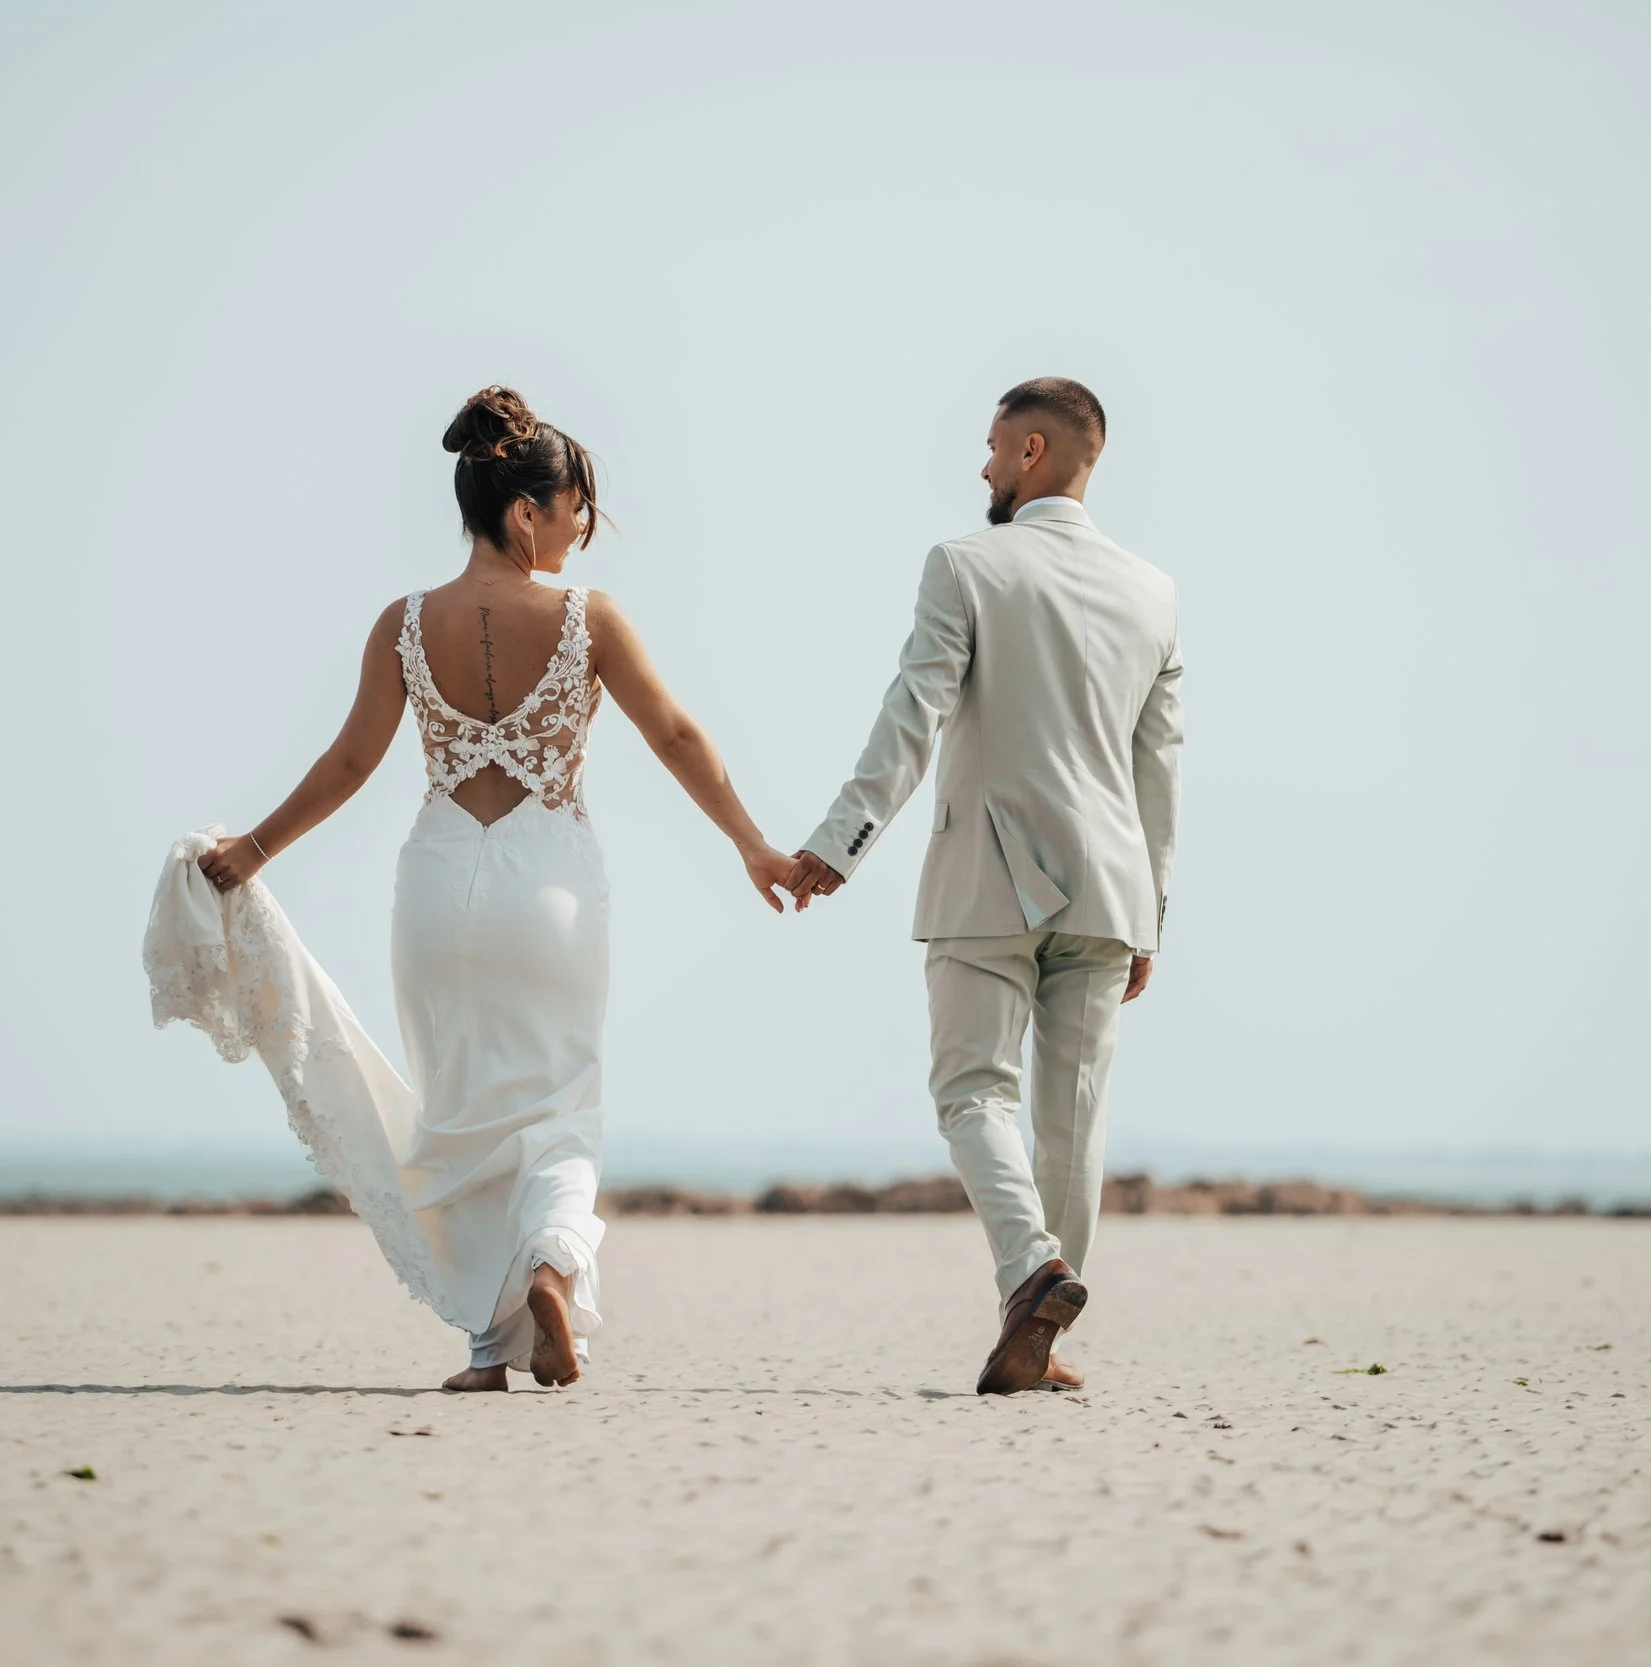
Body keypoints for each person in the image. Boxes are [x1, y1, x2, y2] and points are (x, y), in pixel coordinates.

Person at [161, 386, 795, 1392]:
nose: (583, 526)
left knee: (459, 1113)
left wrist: (253, 851)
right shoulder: (590, 619)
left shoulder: (404, 623)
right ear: (523, 511)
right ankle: (550, 1264)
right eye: (574, 505)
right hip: (548, 885)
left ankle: (490, 1348)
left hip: (438, 885)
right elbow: (673, 733)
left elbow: (349, 762)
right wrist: (752, 844)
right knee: (560, 1107)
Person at [787, 377, 1183, 1395]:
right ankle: (1041, 1332)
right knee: (1074, 1119)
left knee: (970, 1090)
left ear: (1036, 453)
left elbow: (913, 708)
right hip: (1109, 888)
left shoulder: (965, 563)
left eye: (995, 447)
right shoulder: (1153, 590)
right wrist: (1154, 914)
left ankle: (1032, 1272)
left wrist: (842, 840)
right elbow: (1159, 769)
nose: (983, 467)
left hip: (987, 874)